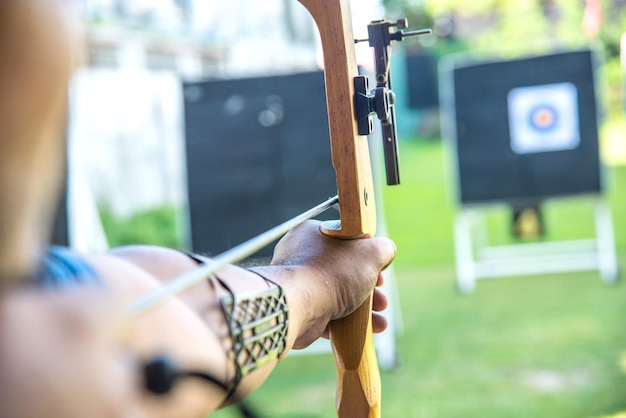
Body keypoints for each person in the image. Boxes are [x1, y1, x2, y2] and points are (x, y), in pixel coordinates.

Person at [0, 1, 397, 417]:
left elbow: (146, 282)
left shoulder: (49, 293)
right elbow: (133, 352)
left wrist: (309, 279)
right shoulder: (51, 361)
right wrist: (316, 289)